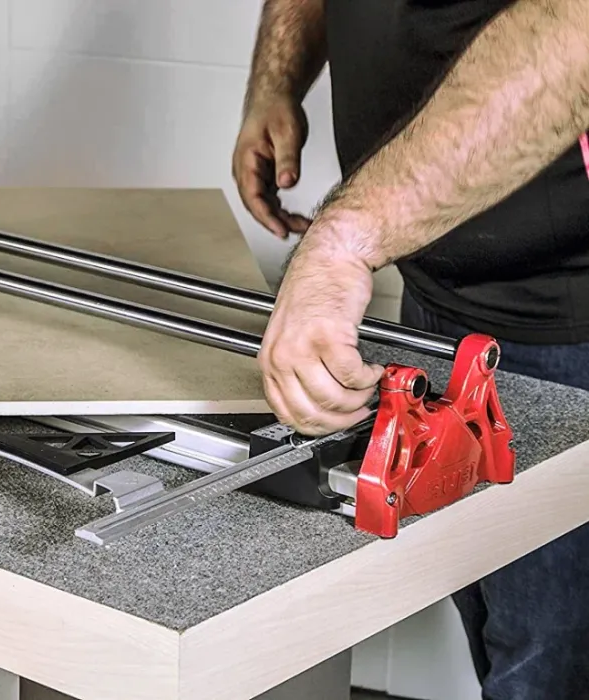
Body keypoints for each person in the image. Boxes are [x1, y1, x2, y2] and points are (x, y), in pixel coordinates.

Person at [232, 1, 589, 698]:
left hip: (568, 325)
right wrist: (275, 81)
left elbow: (575, 34)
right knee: (489, 619)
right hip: (434, 298)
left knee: (545, 665)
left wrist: (345, 240)